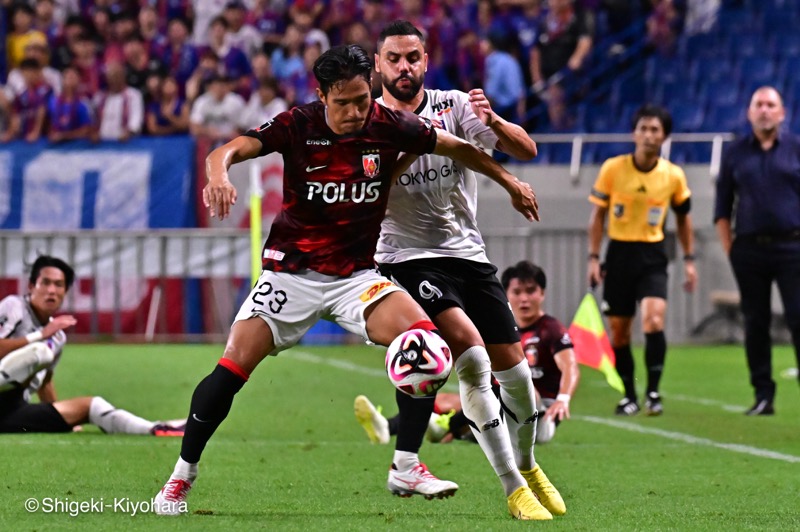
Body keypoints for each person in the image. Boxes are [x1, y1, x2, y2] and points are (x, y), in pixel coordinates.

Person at [152, 44, 542, 518]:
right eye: (345, 103)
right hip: (291, 273)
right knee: (231, 370)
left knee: (426, 343)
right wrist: (217, 175)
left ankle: (406, 464)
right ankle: (181, 477)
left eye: (363, 99)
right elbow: (227, 150)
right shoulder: (298, 124)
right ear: (322, 96)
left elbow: (456, 146)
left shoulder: (387, 123)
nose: (358, 111)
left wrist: (509, 181)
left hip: (356, 276)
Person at [371, 22, 563, 520]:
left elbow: (525, 150)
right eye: (394, 58)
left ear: (426, 60)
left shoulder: (453, 105)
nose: (404, 67)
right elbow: (370, 191)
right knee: (471, 358)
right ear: (378, 64)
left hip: (468, 255)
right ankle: (513, 488)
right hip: (407, 258)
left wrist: (494, 122)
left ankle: (529, 465)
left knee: (517, 377)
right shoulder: (369, 122)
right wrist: (412, 144)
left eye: (412, 57)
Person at [356, 261, 580, 445]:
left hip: (540, 417)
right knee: (445, 399)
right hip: (499, 401)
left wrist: (563, 399)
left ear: (542, 294)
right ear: (506, 294)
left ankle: (449, 427)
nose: (524, 299)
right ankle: (391, 427)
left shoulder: (550, 328)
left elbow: (570, 366)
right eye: (517, 292)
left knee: (521, 388)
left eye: (530, 291)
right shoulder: (498, 328)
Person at [587, 104, 697, 416]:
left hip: (653, 255)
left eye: (655, 130)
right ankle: (630, 395)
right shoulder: (612, 168)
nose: (649, 135)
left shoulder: (673, 176)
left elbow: (684, 220)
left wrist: (689, 259)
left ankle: (653, 392)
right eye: (644, 128)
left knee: (653, 320)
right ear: (634, 133)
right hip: (619, 254)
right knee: (620, 332)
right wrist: (594, 257)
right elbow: (597, 217)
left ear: (664, 137)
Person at [0, 256, 185, 436]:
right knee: (40, 352)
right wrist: (39, 335)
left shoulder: (57, 337)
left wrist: (64, 418)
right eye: (45, 283)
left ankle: (155, 428)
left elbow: (45, 381)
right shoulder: (14, 306)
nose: (51, 290)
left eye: (58, 285)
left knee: (92, 406)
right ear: (31, 286)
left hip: (11, 410)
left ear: (65, 292)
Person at [714, 86, 800, 416]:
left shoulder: (795, 149)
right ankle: (763, 394)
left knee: (798, 318)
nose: (764, 110)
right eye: (758, 104)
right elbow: (722, 208)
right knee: (756, 322)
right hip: (749, 251)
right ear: (750, 112)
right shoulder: (735, 153)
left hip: (793, 247)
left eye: (770, 105)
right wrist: (731, 249)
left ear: (782, 112)